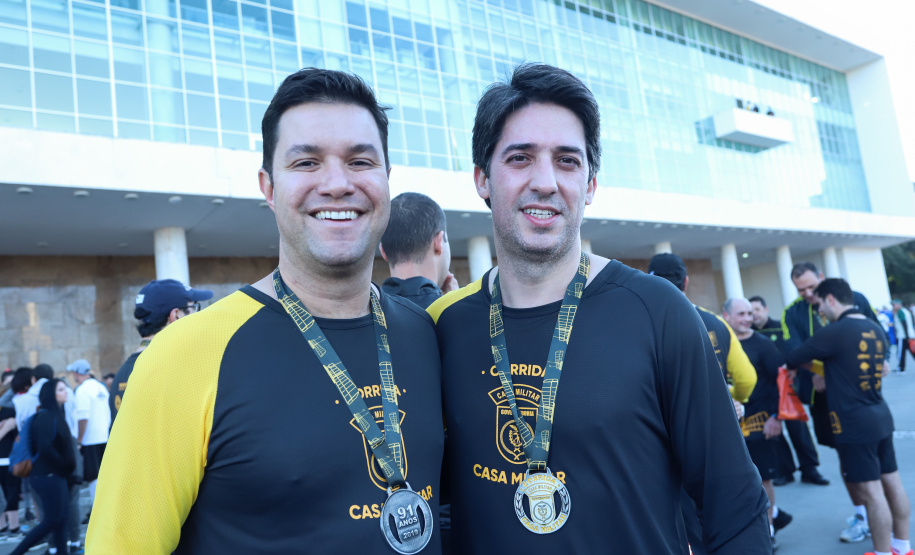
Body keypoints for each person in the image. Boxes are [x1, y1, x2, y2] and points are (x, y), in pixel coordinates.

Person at [86, 68, 444, 554]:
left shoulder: (426, 334)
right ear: (269, 186)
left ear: (385, 180)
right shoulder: (184, 355)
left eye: (360, 161)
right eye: (306, 162)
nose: (337, 183)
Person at [428, 63, 770, 553]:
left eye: (567, 161)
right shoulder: (445, 326)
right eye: (520, 158)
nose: (545, 182)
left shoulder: (658, 312)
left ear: (589, 184)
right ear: (483, 178)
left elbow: (735, 506)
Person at [785, 279, 912, 555]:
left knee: (871, 492)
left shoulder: (835, 331)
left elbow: (793, 356)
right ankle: (902, 546)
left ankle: (881, 552)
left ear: (831, 299)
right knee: (892, 481)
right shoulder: (874, 327)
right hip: (880, 414)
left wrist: (816, 366)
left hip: (853, 423)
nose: (819, 311)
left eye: (819, 304)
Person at [648, 252, 759, 554]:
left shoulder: (645, 322)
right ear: (686, 281)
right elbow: (747, 378)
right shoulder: (717, 323)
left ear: (650, 280)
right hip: (718, 436)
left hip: (666, 443)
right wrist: (733, 400)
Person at [782, 261, 881, 542]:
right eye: (801, 290)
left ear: (823, 279)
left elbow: (876, 336)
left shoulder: (854, 299)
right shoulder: (793, 312)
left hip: (863, 392)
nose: (808, 294)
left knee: (880, 460)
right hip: (823, 400)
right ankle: (862, 515)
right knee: (846, 457)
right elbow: (793, 352)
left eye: (812, 286)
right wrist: (818, 370)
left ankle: (880, 515)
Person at [722, 297, 793, 550]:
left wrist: (776, 417)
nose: (747, 319)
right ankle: (773, 516)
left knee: (764, 479)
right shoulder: (719, 342)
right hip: (730, 426)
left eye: (750, 313)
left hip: (761, 423)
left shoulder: (763, 345)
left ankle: (770, 529)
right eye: (741, 314)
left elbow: (782, 383)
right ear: (726, 316)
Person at [108, 279, 214, 424]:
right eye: (191, 309)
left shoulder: (122, 374)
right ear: (176, 315)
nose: (196, 316)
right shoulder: (175, 369)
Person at [749, 295, 825, 487]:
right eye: (750, 311)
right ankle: (785, 471)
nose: (754, 315)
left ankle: (810, 469)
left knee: (798, 429)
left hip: (787, 387)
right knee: (775, 432)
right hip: (765, 391)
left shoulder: (780, 327)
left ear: (765, 309)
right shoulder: (748, 335)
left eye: (757, 310)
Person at [9, 379, 75, 555]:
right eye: (61, 389)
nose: (66, 391)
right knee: (53, 520)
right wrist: (63, 465)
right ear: (51, 394)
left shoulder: (55, 414)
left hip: (54, 474)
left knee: (61, 519)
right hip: (46, 475)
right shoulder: (46, 416)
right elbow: (45, 448)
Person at [379, 192, 458, 309]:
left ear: (383, 251)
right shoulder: (459, 317)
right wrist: (458, 304)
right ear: (439, 242)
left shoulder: (365, 313)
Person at [67, 359, 110, 519]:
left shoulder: (82, 390)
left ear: (77, 373)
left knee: (93, 476)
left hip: (90, 438)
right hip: (104, 436)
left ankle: (97, 510)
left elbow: (83, 418)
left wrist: (79, 440)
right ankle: (102, 507)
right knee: (103, 475)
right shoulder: (100, 387)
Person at [891, 299, 914, 374]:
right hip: (908, 335)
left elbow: (904, 324)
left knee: (901, 353)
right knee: (912, 351)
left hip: (903, 336)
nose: (893, 306)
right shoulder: (906, 311)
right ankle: (900, 367)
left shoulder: (900, 312)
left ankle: (901, 368)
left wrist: (907, 336)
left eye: (894, 305)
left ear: (898, 304)